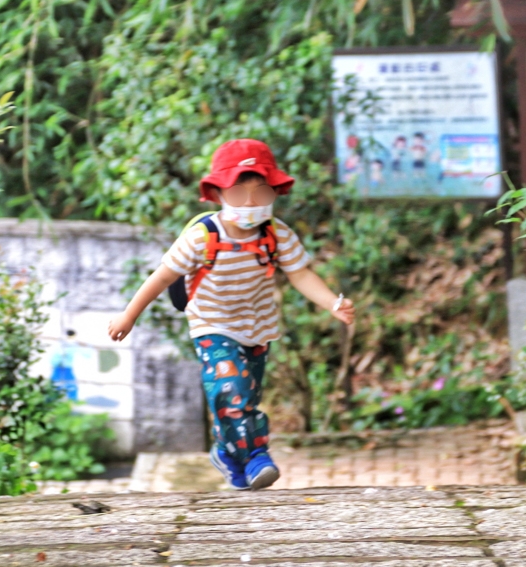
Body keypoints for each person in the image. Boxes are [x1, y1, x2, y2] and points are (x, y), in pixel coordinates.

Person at [108, 139, 355, 490]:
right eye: (239, 193)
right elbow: (163, 276)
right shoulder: (201, 238)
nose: (251, 203)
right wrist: (128, 316)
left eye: (262, 192)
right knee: (232, 388)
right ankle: (256, 456)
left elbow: (300, 274)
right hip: (211, 325)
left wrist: (333, 303)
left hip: (257, 327)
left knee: (243, 398)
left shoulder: (276, 235)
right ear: (218, 194)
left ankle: (226, 451)